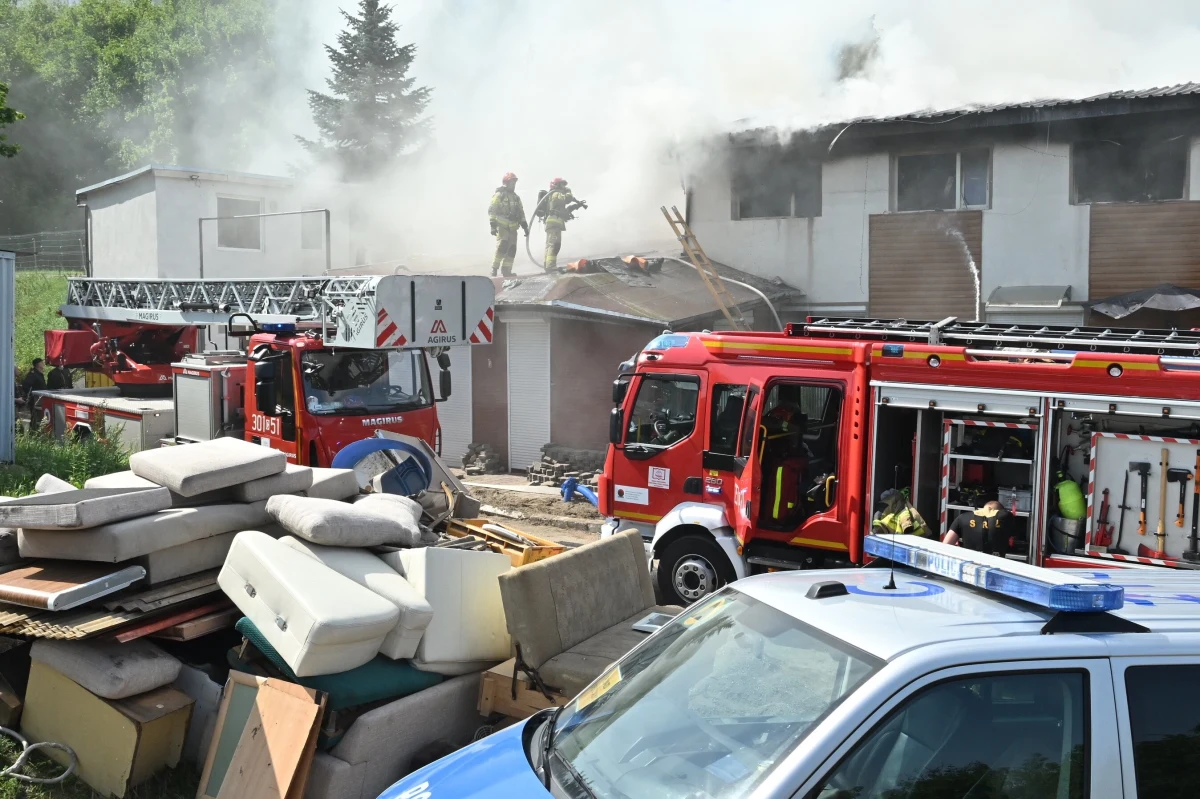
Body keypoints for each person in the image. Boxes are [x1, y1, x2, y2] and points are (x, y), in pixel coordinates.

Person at [488, 172, 528, 278]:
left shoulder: (516, 198)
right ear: (506, 183)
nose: (513, 184)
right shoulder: (499, 195)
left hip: (513, 228)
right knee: (502, 246)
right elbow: (492, 209)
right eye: (512, 182)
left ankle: (506, 270)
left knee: (512, 249)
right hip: (502, 227)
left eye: (514, 182)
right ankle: (494, 268)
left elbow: (521, 212)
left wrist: (525, 225)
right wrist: (492, 224)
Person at [543, 177, 586, 272]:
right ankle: (550, 266)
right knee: (553, 245)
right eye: (562, 184)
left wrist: (576, 206)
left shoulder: (556, 195)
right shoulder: (555, 194)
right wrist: (569, 191)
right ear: (557, 185)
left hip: (555, 224)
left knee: (553, 245)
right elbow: (567, 199)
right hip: (553, 224)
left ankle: (549, 266)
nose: (564, 187)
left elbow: (563, 211)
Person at [943, 500, 1013, 556]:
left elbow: (946, 545)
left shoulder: (962, 518)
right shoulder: (1007, 517)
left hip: (970, 566)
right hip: (996, 567)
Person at [21, 358, 46, 430]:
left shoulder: (39, 373)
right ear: (38, 364)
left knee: (40, 415)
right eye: (42, 362)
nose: (43, 364)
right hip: (35, 399)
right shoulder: (33, 374)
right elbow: (25, 385)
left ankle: (38, 430)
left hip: (40, 398)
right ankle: (33, 430)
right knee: (35, 415)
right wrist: (31, 394)